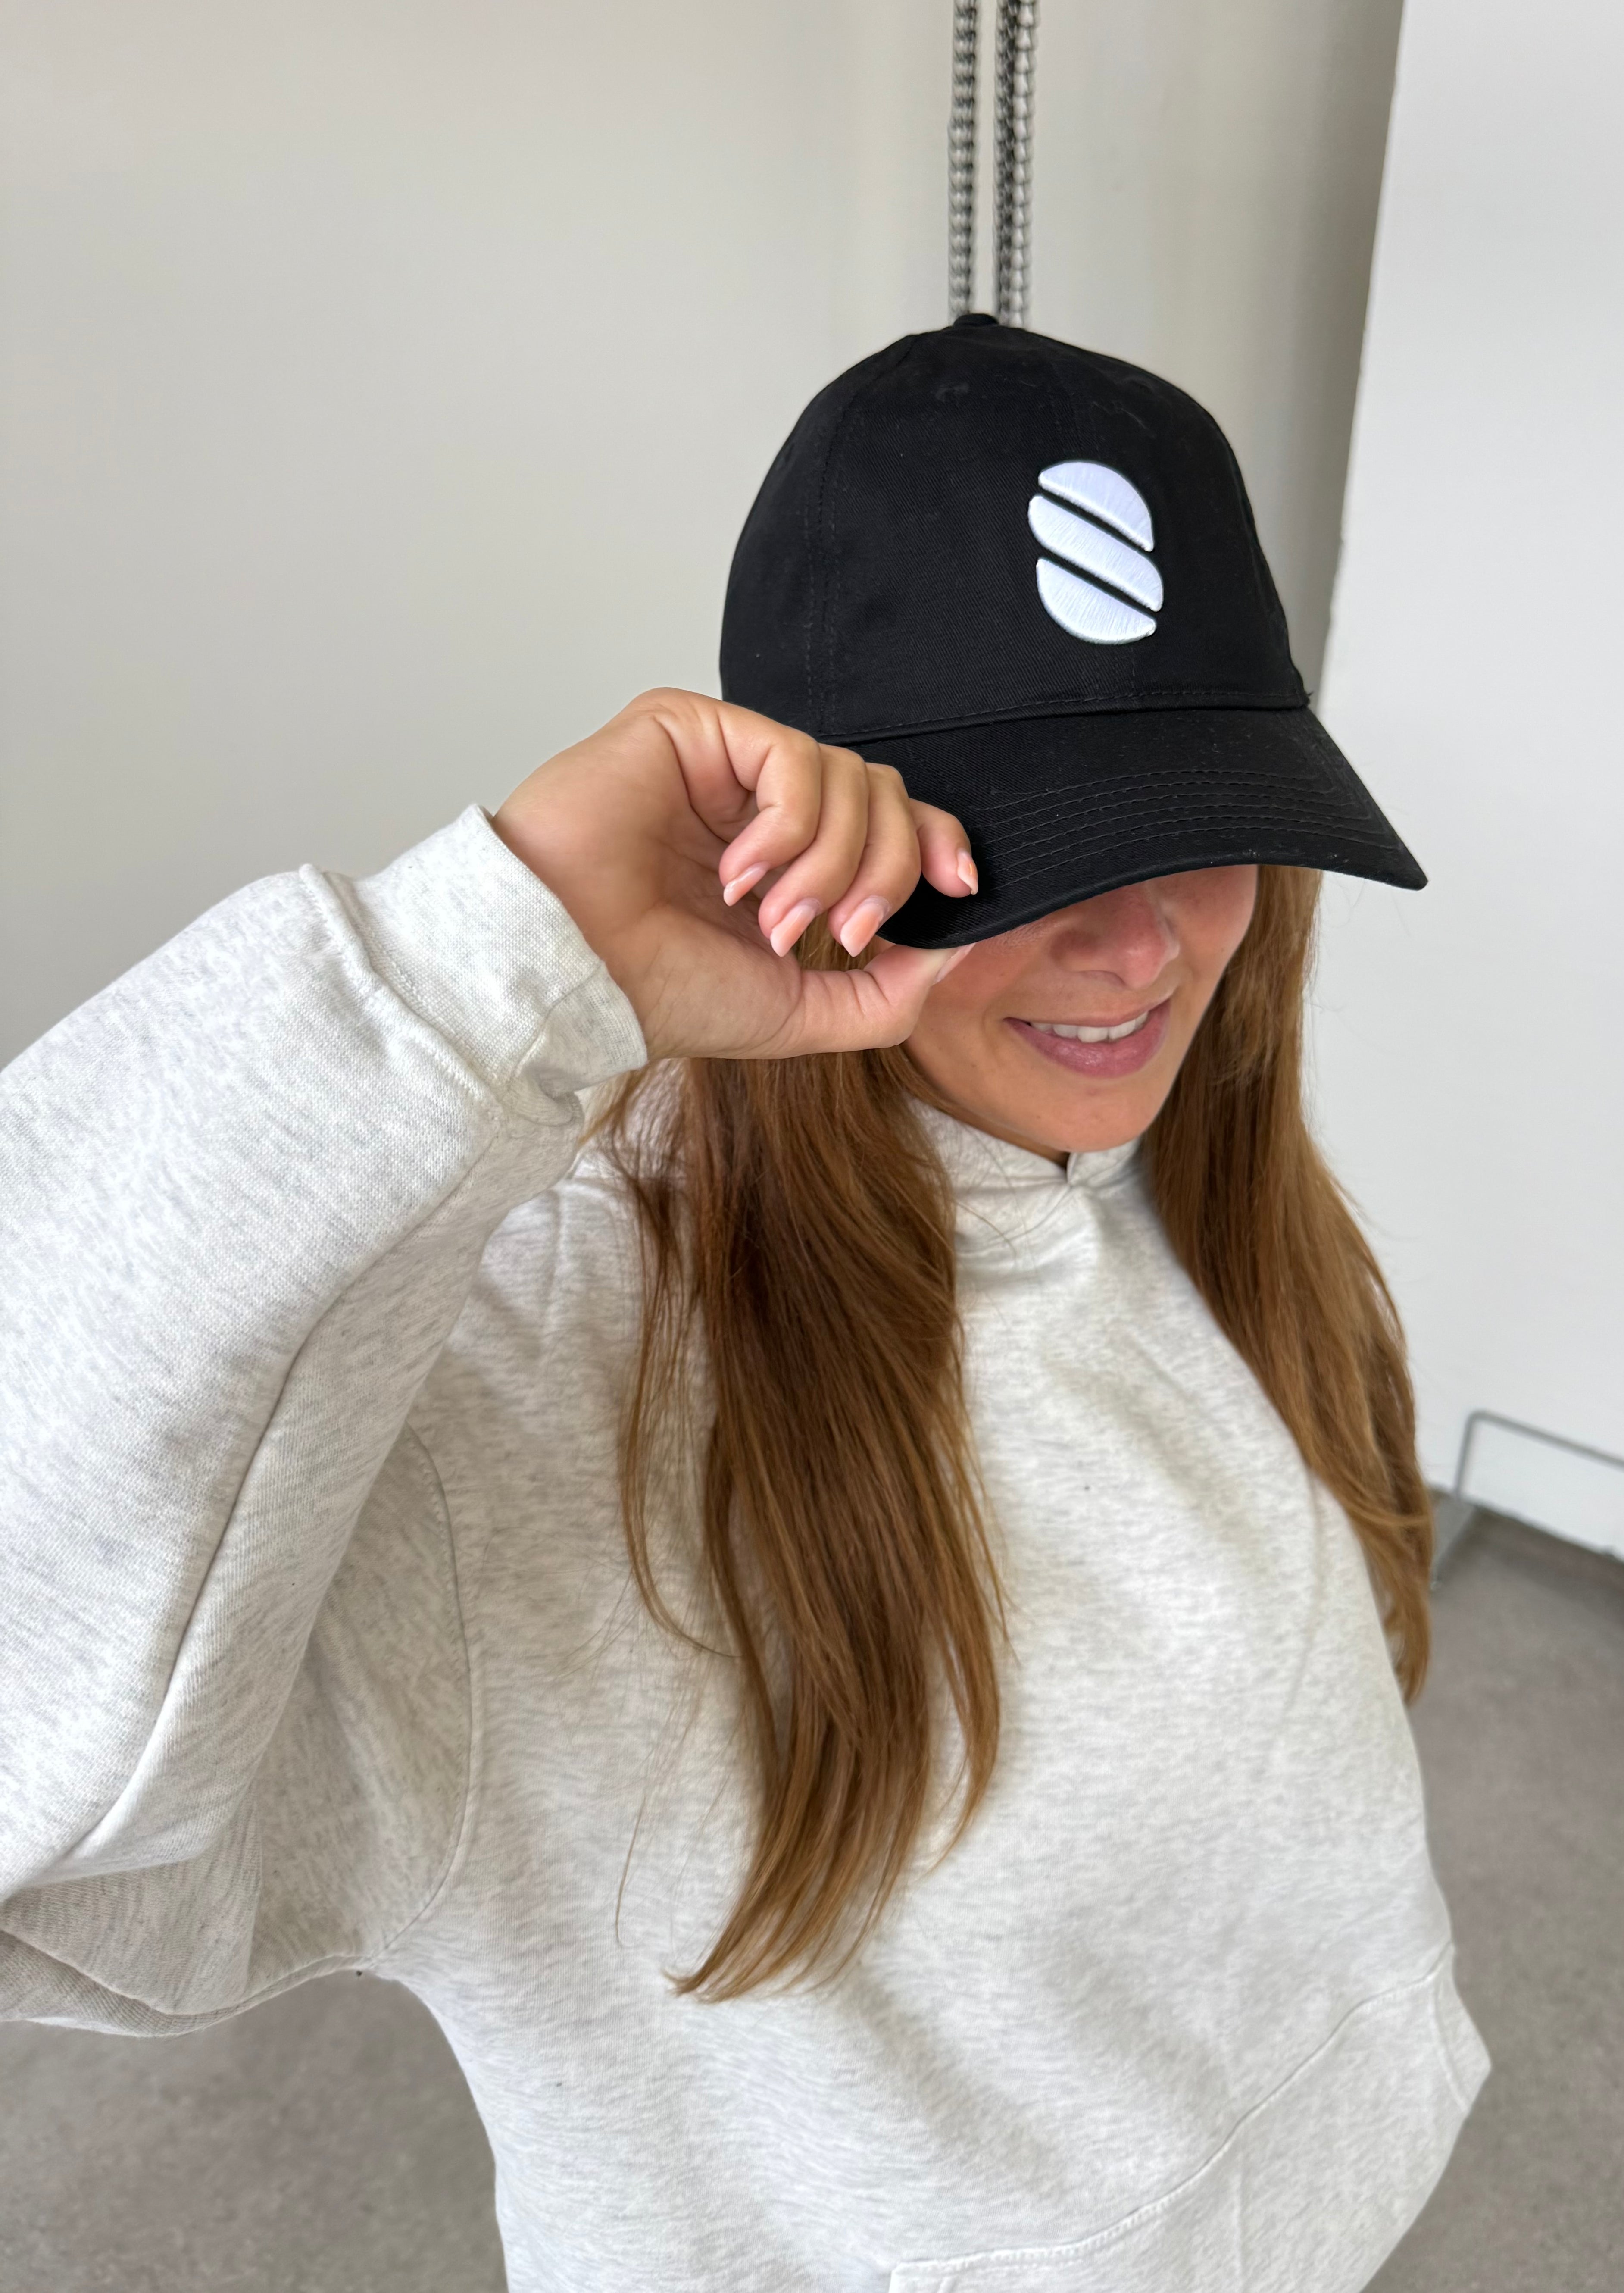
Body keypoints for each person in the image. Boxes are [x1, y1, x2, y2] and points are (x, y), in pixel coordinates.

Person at [0, 319, 1488, 2292]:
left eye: (1201, 817)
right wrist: (480, 964)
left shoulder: (1210, 1191)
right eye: (1026, 854)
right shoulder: (546, 1391)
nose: (1141, 939)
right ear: (791, 850)